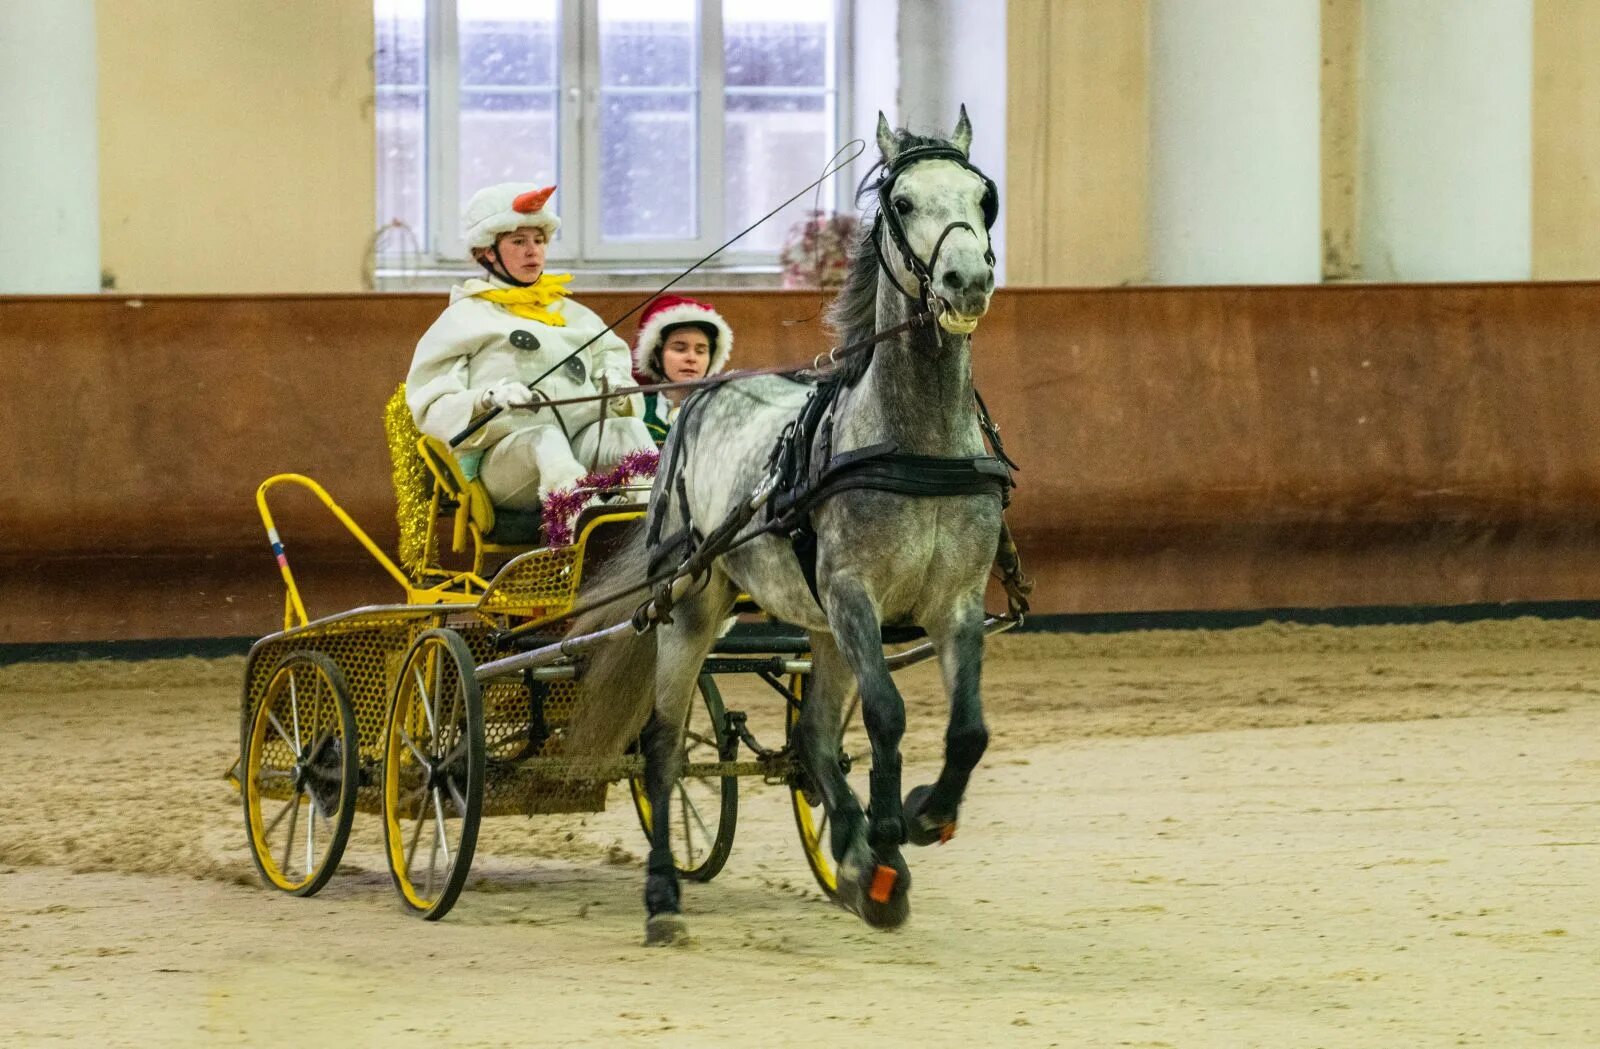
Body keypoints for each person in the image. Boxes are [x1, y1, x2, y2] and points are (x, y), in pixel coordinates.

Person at [406, 182, 653, 510]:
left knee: (629, 430)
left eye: (539, 241)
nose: (532, 251)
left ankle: (660, 530)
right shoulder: (463, 318)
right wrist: (485, 399)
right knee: (544, 438)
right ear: (487, 253)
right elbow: (431, 403)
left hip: (581, 443)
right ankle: (578, 524)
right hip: (506, 464)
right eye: (518, 241)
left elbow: (612, 357)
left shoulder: (576, 315)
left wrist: (618, 384)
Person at [631, 294, 734, 445]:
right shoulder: (636, 414)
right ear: (656, 357)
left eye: (701, 351)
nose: (691, 358)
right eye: (679, 349)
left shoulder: (725, 415)